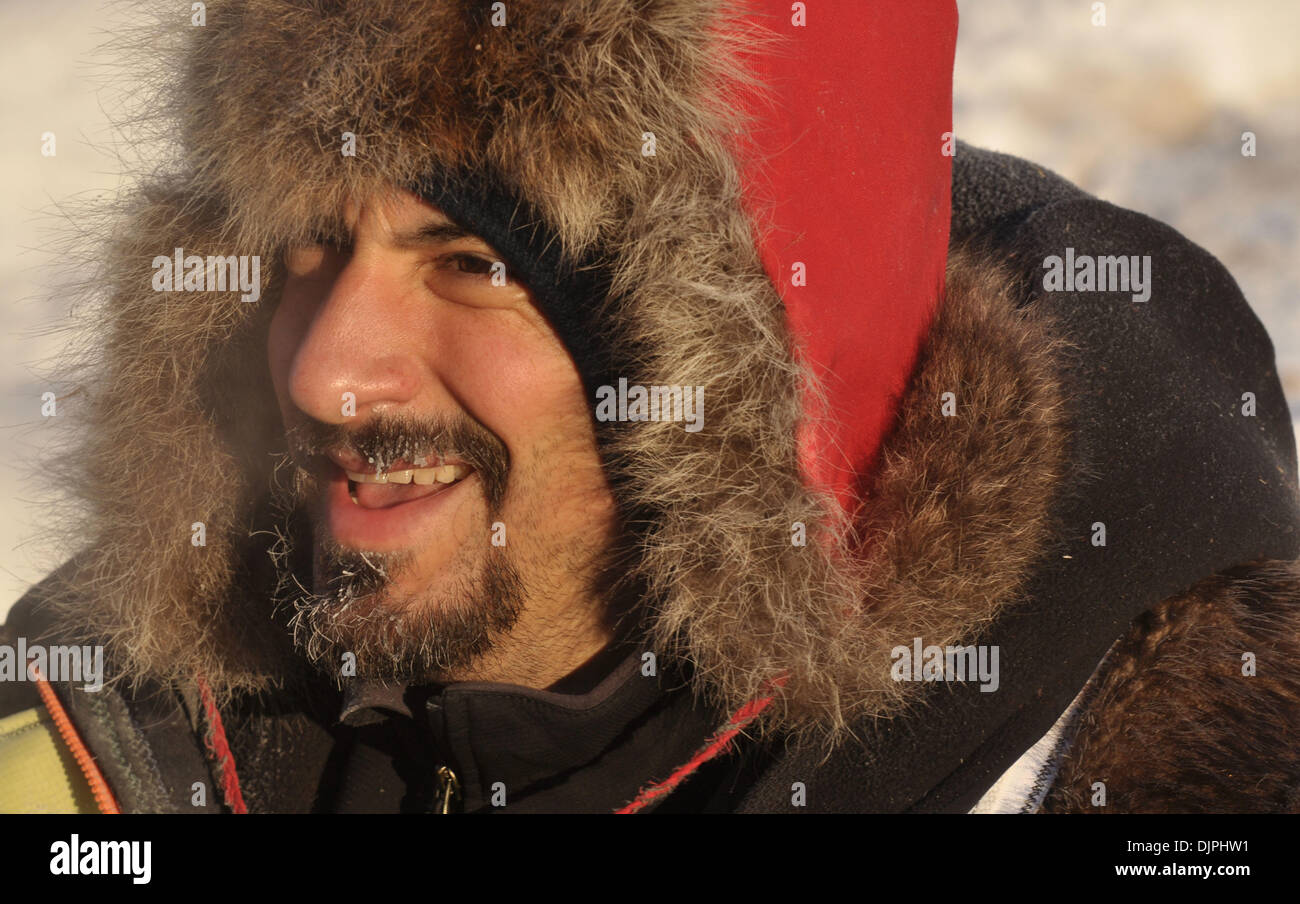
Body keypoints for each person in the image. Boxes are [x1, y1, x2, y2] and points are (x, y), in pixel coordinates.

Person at [2, 0, 1298, 814]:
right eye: (306, 243)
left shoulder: (1123, 766)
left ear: (741, 387)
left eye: (475, 266)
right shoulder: (99, 738)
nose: (326, 374)